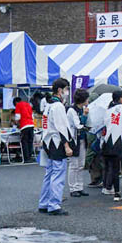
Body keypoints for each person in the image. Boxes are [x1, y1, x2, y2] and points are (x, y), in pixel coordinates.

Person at [38, 77, 73, 215]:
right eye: (66, 89)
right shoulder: (58, 106)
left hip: (47, 141)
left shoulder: (48, 105)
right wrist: (67, 145)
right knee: (58, 174)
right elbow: (62, 127)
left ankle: (44, 202)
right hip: (57, 142)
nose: (67, 92)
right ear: (60, 90)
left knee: (49, 173)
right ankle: (54, 205)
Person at [67, 87, 90, 197]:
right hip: (74, 140)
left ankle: (79, 187)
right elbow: (79, 125)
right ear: (83, 99)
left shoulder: (81, 109)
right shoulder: (72, 110)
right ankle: (73, 188)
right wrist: (85, 116)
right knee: (74, 165)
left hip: (82, 139)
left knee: (81, 165)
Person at [13, 90, 36, 163]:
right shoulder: (28, 105)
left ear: (16, 102)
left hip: (24, 126)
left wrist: (16, 124)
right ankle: (30, 156)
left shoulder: (18, 105)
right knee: (30, 141)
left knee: (24, 142)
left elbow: (17, 117)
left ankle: (26, 158)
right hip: (31, 125)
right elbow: (32, 116)